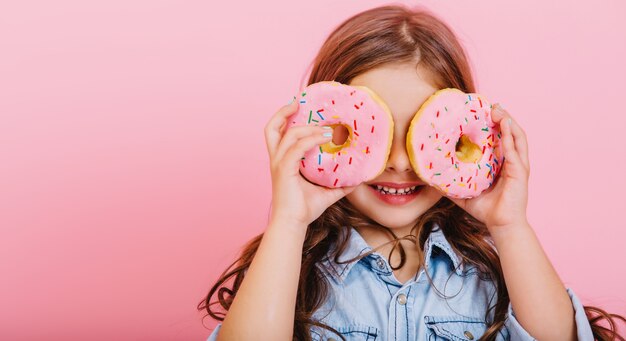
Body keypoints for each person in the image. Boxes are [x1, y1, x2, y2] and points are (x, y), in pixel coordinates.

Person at [198, 4, 625, 340]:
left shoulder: (493, 272)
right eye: (375, 136)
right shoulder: (291, 268)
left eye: (422, 138)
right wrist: (288, 221)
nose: (400, 162)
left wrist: (510, 225)